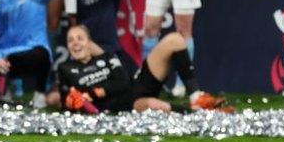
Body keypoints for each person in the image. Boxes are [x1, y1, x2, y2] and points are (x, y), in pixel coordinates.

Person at [58, 26, 229, 113]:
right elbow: (66, 99)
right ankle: (198, 114)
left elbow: (123, 83)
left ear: (89, 42)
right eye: (70, 40)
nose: (75, 43)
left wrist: (94, 93)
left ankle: (196, 98)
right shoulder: (65, 68)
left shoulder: (106, 57)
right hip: (121, 105)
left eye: (80, 38)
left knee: (175, 40)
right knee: (153, 105)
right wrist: (71, 103)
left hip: (134, 87)